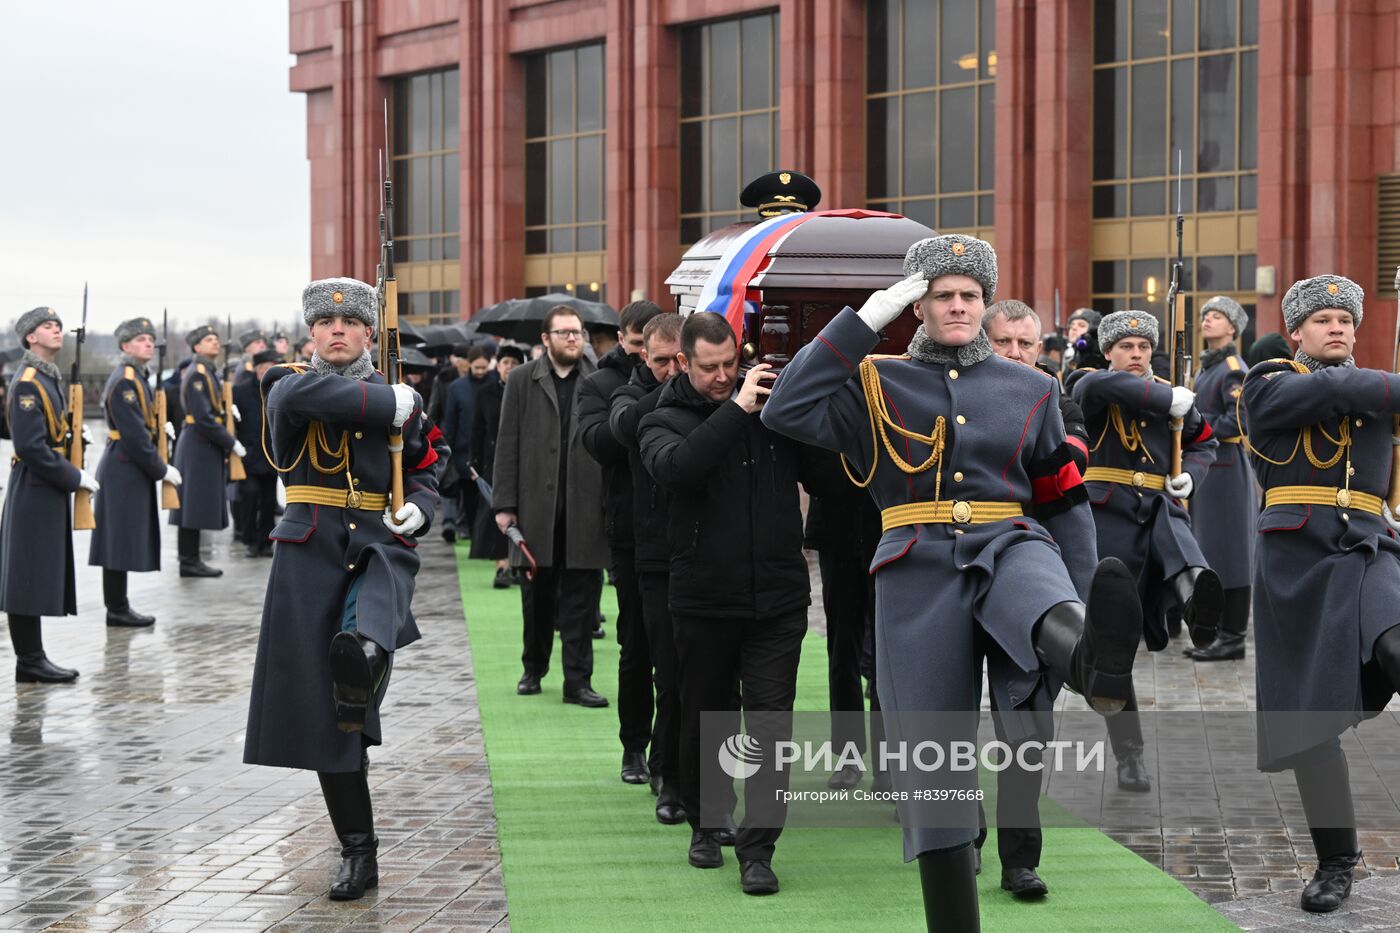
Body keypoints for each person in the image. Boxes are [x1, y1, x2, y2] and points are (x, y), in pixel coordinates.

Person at [762, 235, 1145, 932]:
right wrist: (863, 321)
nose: (960, 305)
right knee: (931, 761)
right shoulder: (875, 381)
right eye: (943, 295)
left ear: (986, 302)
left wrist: (1088, 591)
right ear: (919, 306)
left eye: (971, 295)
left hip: (1010, 536)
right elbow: (785, 408)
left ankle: (1091, 654)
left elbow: (1061, 499)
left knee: (1039, 591)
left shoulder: (1031, 387)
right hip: (916, 560)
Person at [244, 277, 441, 902]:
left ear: (368, 334)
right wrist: (389, 404)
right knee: (335, 718)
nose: (337, 331)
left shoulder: (400, 397)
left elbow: (430, 465)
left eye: (351, 324)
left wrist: (425, 508)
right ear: (309, 333)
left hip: (378, 547)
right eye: (326, 325)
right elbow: (302, 398)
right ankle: (359, 850)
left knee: (359, 656)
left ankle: (363, 669)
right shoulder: (288, 384)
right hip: (310, 555)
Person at [638, 312, 817, 896]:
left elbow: (826, 471)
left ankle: (759, 849)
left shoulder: (772, 407)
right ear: (684, 363)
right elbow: (678, 471)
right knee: (704, 718)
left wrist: (810, 402)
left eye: (730, 365)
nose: (723, 377)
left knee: (770, 724)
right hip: (703, 598)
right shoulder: (662, 417)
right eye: (710, 368)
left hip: (779, 597)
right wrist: (736, 410)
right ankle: (707, 820)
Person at [1240, 272, 1400, 914]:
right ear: (1297, 331)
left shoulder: (1378, 394)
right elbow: (1333, 389)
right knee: (1308, 723)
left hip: (1368, 546)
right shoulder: (1268, 382)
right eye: (1324, 319)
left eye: (1347, 320)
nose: (1338, 328)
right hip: (1295, 559)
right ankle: (1337, 860)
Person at [969, 298, 1095, 898]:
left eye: (1028, 344)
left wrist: (1080, 595)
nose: (1019, 355)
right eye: (1005, 344)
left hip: (1026, 572)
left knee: (1026, 724)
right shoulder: (955, 393)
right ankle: (960, 834)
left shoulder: (1054, 399)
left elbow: (1071, 487)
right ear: (981, 341)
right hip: (952, 569)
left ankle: (1019, 859)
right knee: (947, 716)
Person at [1066, 311, 1221, 792]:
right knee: (1115, 646)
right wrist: (1169, 397)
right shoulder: (1089, 382)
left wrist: (1193, 473)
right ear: (1108, 351)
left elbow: (1205, 441)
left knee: (1173, 525)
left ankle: (1199, 601)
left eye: (1143, 347)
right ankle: (1128, 752)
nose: (1137, 355)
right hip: (1107, 520)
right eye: (1126, 347)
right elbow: (1099, 392)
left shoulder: (1173, 397)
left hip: (1157, 509)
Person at [493, 306, 610, 708]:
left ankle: (578, 681)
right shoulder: (522, 380)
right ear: (546, 339)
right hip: (535, 509)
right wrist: (504, 505)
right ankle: (534, 668)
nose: (572, 339)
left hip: (585, 509)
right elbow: (507, 443)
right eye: (563, 333)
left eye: (577, 332)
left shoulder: (597, 382)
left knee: (582, 600)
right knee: (537, 599)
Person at [580, 300, 665, 785]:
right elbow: (602, 444)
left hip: (677, 529)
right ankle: (634, 745)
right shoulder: (602, 385)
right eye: (636, 347)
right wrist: (653, 395)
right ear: (626, 340)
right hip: (630, 528)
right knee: (635, 643)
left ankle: (670, 753)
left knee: (677, 648)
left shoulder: (683, 371)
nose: (641, 357)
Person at [609, 313, 689, 824]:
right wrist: (673, 391)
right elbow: (614, 431)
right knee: (643, 653)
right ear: (643, 355)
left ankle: (671, 765)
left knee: (684, 669)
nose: (669, 370)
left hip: (691, 551)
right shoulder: (621, 391)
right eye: (660, 361)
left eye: (677, 361)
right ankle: (641, 750)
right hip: (642, 546)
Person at [0, 307, 97, 682]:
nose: (57, 331)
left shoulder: (48, 378)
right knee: (25, 574)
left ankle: (34, 657)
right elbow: (31, 446)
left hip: (46, 487)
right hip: (36, 486)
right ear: (30, 337)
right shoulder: (28, 382)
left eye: (58, 326)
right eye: (47, 327)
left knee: (35, 571)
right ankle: (29, 661)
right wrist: (75, 477)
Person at [89, 317, 182, 627]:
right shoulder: (126, 380)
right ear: (125, 346)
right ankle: (116, 608)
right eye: (141, 339)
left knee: (122, 536)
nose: (148, 344)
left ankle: (119, 605)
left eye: (150, 339)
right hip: (123, 465)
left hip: (129, 465)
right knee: (117, 538)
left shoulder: (138, 376)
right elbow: (133, 436)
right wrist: (160, 469)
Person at [1185, 296, 1256, 661]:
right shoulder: (1205, 368)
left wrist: (1195, 425)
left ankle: (1233, 637)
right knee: (1210, 552)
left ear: (1233, 328)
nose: (1208, 321)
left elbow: (1238, 422)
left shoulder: (1232, 366)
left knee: (1232, 555)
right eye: (1205, 316)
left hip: (1226, 468)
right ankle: (1216, 633)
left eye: (1217, 316)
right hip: (1209, 468)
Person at [170, 325, 245, 577]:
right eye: (209, 339)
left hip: (201, 443)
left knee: (193, 502)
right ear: (196, 347)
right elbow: (203, 417)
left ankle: (191, 558)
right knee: (191, 503)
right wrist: (230, 441)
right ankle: (188, 560)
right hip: (198, 443)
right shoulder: (198, 374)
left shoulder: (207, 371)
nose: (215, 343)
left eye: (215, 338)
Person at [470, 346, 523, 585]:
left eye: (514, 362)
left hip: (523, 460)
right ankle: (502, 565)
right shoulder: (485, 393)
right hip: (493, 462)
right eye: (505, 362)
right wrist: (476, 465)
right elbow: (477, 430)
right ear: (498, 366)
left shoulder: (527, 391)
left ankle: (518, 563)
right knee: (498, 512)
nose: (509, 367)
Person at [443, 346, 498, 540]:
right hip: (464, 452)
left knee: (490, 497)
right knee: (469, 498)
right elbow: (451, 423)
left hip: (491, 450)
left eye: (484, 367)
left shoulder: (495, 383)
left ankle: (487, 536)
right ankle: (475, 535)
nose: (481, 371)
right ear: (469, 364)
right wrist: (446, 452)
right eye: (477, 367)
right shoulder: (456, 388)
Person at [233, 349, 282, 557]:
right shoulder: (240, 391)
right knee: (250, 497)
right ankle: (251, 540)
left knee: (269, 502)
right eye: (266, 368)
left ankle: (266, 542)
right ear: (258, 369)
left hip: (271, 455)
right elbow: (232, 423)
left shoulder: (279, 389)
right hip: (248, 455)